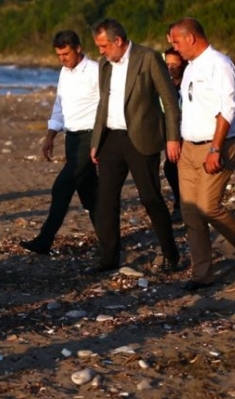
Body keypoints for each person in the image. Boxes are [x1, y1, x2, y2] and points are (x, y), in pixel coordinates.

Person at [168, 18, 235, 291]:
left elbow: (227, 109)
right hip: (189, 148)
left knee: (209, 207)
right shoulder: (191, 67)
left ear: (191, 38)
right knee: (190, 213)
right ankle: (202, 275)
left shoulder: (219, 63)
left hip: (216, 146)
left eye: (176, 42)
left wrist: (215, 148)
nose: (173, 47)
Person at [90, 19, 181, 273]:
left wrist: (172, 138)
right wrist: (96, 141)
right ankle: (108, 259)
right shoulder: (103, 64)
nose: (101, 51)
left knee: (150, 198)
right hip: (110, 138)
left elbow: (169, 99)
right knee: (105, 200)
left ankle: (170, 254)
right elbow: (103, 103)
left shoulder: (149, 58)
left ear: (118, 41)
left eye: (104, 45)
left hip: (141, 138)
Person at [20, 30, 99, 255]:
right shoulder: (65, 72)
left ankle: (44, 240)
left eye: (66, 53)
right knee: (90, 194)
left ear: (78, 48)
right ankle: (108, 242)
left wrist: (101, 142)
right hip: (71, 138)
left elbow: (107, 105)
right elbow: (59, 105)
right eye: (59, 55)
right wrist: (50, 136)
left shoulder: (95, 71)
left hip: (90, 136)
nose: (63, 58)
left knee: (62, 186)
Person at [162, 47, 188, 224]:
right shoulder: (165, 85)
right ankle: (180, 202)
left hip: (189, 131)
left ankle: (184, 205)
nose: (170, 68)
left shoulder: (189, 83)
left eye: (175, 64)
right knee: (170, 168)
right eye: (167, 64)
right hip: (171, 133)